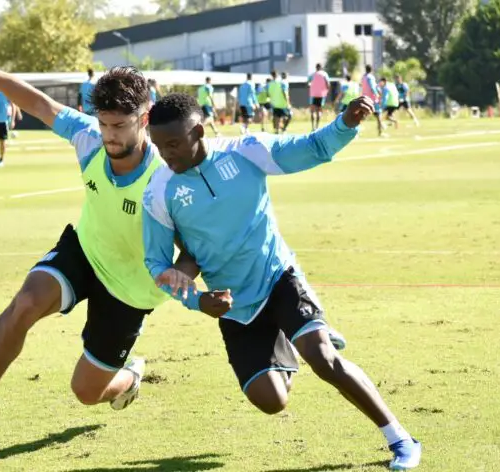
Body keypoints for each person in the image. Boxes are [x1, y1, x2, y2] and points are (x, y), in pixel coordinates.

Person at [0, 47, 220, 430]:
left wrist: (183, 274)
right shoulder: (89, 138)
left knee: (86, 391)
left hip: (133, 288)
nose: (109, 135)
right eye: (104, 124)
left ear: (144, 118)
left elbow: (194, 250)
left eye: (119, 126)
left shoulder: (168, 175)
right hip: (86, 251)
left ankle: (129, 379)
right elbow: (38, 103)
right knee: (25, 303)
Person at [141, 93, 421, 471]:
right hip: (235, 305)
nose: (166, 154)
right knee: (271, 401)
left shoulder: (246, 151)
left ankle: (401, 439)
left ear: (199, 132)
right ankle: (295, 334)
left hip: (278, 276)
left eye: (173, 144)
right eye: (158, 146)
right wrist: (198, 301)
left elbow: (312, 148)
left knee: (324, 359)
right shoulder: (158, 191)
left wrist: (346, 123)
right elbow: (157, 264)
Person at [361, 65, 384, 137]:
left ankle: (356, 131)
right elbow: (372, 87)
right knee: (378, 115)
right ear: (371, 70)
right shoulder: (370, 77)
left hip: (365, 98)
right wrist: (377, 95)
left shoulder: (363, 77)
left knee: (363, 115)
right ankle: (380, 132)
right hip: (372, 99)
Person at [308, 63, 331, 131]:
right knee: (319, 111)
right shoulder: (324, 74)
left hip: (313, 95)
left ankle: (312, 127)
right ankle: (317, 126)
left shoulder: (312, 74)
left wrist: (311, 86)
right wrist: (326, 91)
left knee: (312, 111)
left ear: (316, 67)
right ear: (321, 67)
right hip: (321, 95)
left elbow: (308, 83)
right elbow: (328, 84)